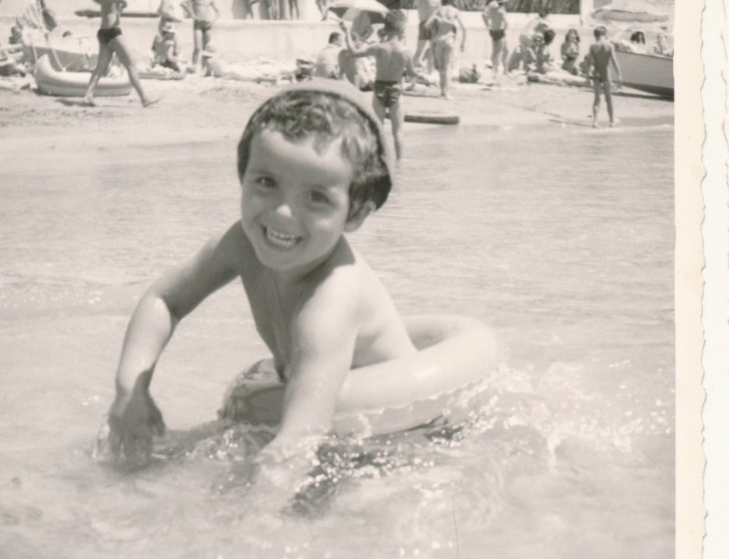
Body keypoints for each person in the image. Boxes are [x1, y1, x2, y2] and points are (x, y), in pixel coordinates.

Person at [96, 86, 474, 489]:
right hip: (321, 414)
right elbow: (164, 300)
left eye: (315, 197)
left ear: (355, 213)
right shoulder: (240, 242)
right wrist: (130, 391)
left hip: (399, 438)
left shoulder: (332, 298)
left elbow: (301, 435)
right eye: (267, 181)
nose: (281, 212)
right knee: (136, 468)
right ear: (242, 176)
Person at [79, 0, 155, 108]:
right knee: (131, 64)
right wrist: (122, 0)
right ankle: (145, 99)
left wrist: (113, 4)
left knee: (101, 66)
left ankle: (88, 95)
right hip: (113, 31)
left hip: (103, 31)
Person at [343, 9, 411, 161]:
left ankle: (377, 161)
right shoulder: (406, 51)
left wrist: (347, 31)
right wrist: (418, 77)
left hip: (379, 88)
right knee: (398, 132)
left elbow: (353, 52)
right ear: (402, 29)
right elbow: (412, 73)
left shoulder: (378, 48)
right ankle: (400, 166)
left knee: (378, 130)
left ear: (385, 29)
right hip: (395, 88)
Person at [428, 0, 468, 100]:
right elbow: (464, 29)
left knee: (440, 67)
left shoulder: (438, 11)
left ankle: (442, 91)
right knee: (448, 67)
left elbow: (427, 25)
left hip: (438, 40)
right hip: (449, 40)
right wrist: (463, 43)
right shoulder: (455, 11)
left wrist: (439, 20)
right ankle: (447, 93)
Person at [585, 24, 623, 127]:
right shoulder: (609, 46)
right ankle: (611, 121)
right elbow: (614, 61)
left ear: (595, 35)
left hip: (597, 73)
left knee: (597, 98)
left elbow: (590, 62)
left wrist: (587, 76)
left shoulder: (592, 46)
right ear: (605, 35)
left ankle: (595, 122)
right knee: (609, 98)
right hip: (606, 73)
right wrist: (619, 75)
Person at [187, 0, 219, 76]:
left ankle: (206, 69)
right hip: (198, 24)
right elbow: (183, 3)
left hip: (207, 24)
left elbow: (218, 11)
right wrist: (191, 14)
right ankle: (194, 68)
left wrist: (213, 21)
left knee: (207, 48)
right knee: (197, 47)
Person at [483, 0, 509, 88]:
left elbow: (484, 15)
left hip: (494, 30)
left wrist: (488, 26)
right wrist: (503, 29)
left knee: (504, 50)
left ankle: (504, 70)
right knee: (497, 52)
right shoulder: (500, 11)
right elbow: (506, 23)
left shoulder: (493, 10)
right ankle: (495, 72)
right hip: (500, 31)